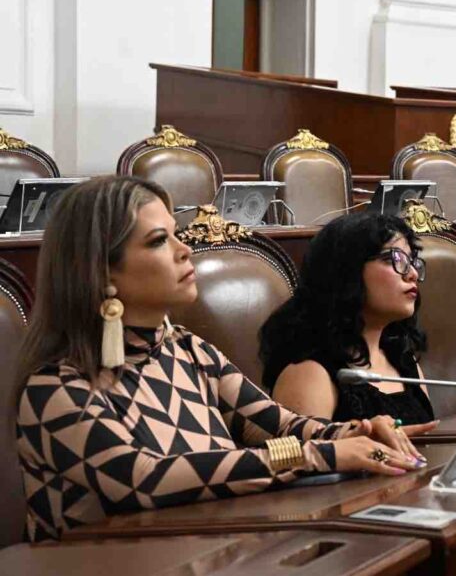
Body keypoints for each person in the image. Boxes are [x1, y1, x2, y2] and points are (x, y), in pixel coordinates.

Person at [15, 176, 428, 543]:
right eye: (159, 241)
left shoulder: (187, 349)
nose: (184, 250)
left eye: (178, 235)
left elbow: (279, 424)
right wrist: (317, 455)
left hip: (211, 556)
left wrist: (354, 433)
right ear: (98, 269)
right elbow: (145, 480)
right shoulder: (54, 389)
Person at [260, 213, 437, 428]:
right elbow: (306, 458)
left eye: (412, 262)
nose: (412, 274)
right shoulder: (309, 373)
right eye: (395, 260)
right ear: (347, 271)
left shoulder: (403, 360)